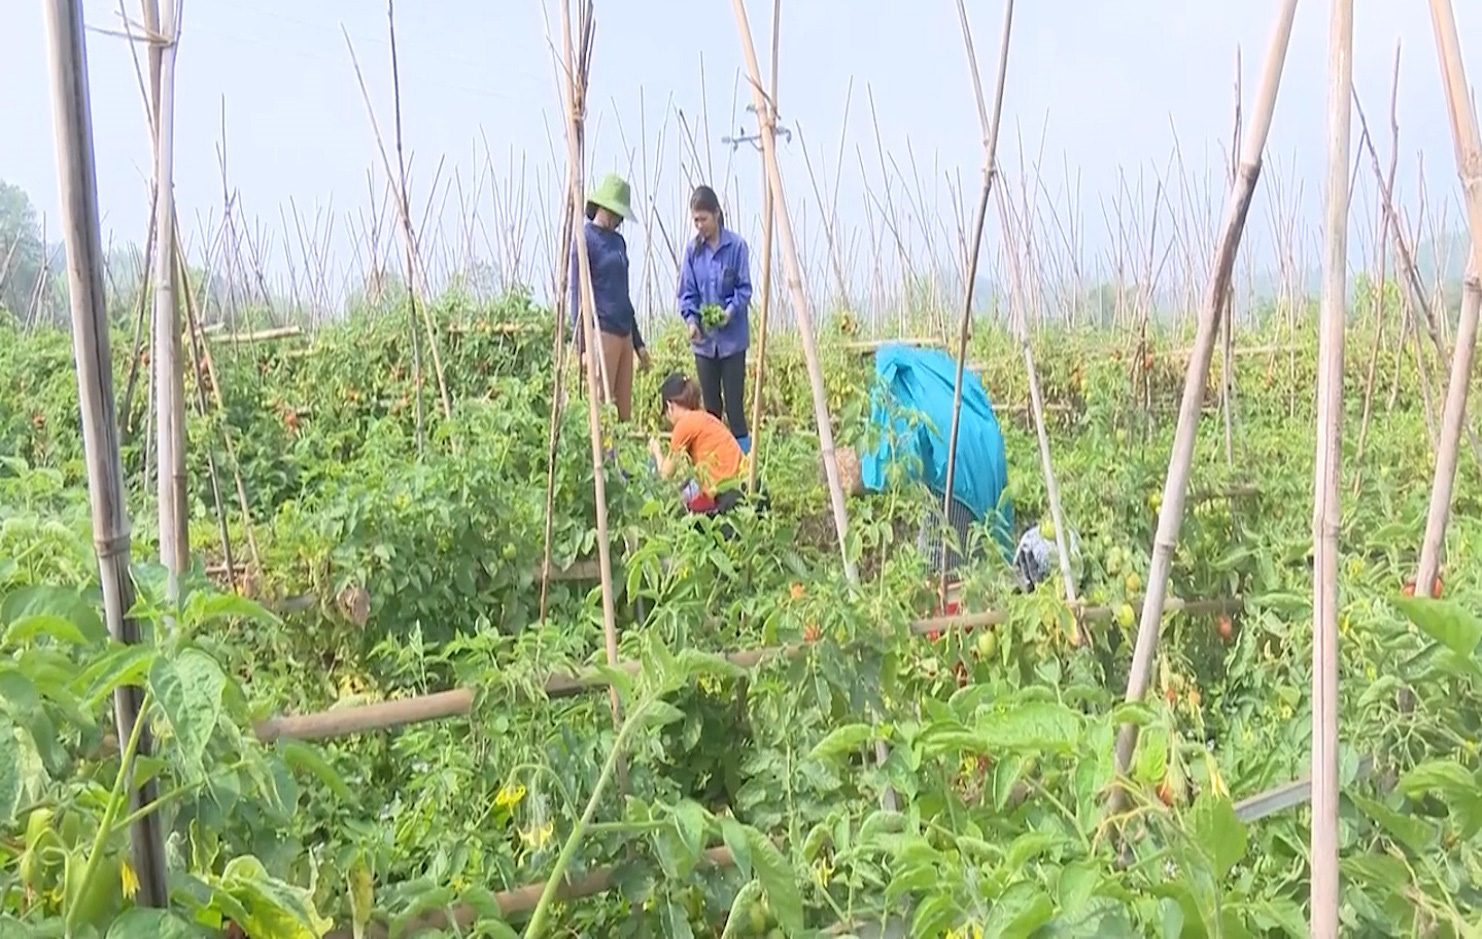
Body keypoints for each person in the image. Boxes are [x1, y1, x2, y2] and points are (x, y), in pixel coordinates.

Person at [834, 345, 1014, 581]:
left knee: (938, 568)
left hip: (956, 475)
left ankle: (950, 614)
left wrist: (868, 475)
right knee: (973, 558)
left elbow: (897, 458)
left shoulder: (895, 381)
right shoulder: (928, 372)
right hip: (983, 454)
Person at [678, 185, 753, 453]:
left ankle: (744, 464)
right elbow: (686, 295)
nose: (699, 225)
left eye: (703, 219)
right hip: (704, 345)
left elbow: (744, 289)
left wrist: (728, 312)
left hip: (732, 342)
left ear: (717, 214)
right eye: (695, 220)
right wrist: (692, 323)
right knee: (711, 409)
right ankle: (715, 466)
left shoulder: (737, 247)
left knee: (734, 405)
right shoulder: (691, 253)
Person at [570, 172, 649, 422]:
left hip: (624, 332)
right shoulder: (586, 240)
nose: (618, 221)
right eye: (616, 214)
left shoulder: (619, 242)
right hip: (601, 331)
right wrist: (581, 348)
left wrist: (638, 343)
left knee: (623, 412)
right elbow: (577, 295)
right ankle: (603, 460)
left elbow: (623, 295)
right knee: (603, 407)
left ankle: (621, 460)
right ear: (604, 208)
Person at [648, 372, 746, 515]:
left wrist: (656, 451)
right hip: (744, 486)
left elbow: (665, 475)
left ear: (670, 406)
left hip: (730, 496)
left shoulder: (684, 425)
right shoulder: (705, 418)